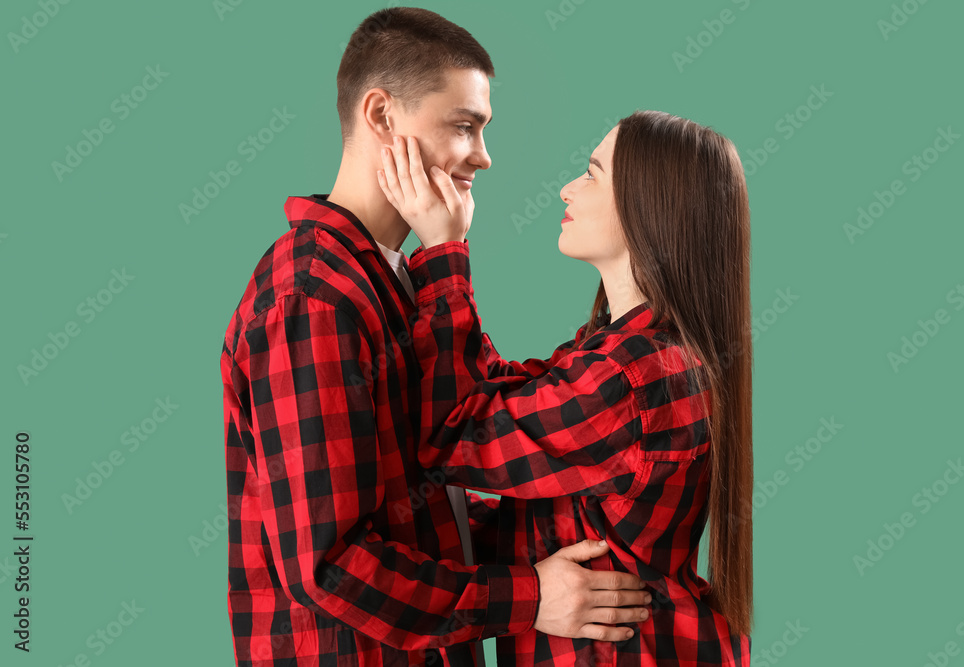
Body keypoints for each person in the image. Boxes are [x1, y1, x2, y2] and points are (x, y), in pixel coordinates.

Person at [220, 8, 649, 667]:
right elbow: (330, 565)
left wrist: (551, 555)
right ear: (382, 116)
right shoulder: (312, 297)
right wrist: (528, 596)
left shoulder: (388, 281)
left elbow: (411, 508)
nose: (483, 154)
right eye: (464, 125)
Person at [377, 109, 754, 665]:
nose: (567, 189)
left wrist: (442, 247)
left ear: (649, 207)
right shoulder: (616, 350)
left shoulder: (633, 378)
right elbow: (495, 392)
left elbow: (452, 431)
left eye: (592, 173)